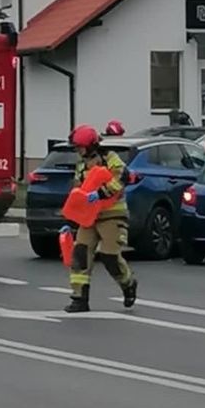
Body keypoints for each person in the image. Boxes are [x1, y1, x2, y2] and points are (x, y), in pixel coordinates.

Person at [65, 124, 137, 313]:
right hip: (89, 217)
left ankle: (128, 284)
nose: (78, 151)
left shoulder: (109, 158)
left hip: (112, 215)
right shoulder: (81, 165)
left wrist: (101, 193)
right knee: (80, 254)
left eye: (79, 147)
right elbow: (78, 192)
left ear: (90, 145)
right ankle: (79, 298)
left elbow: (122, 177)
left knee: (110, 256)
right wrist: (71, 219)